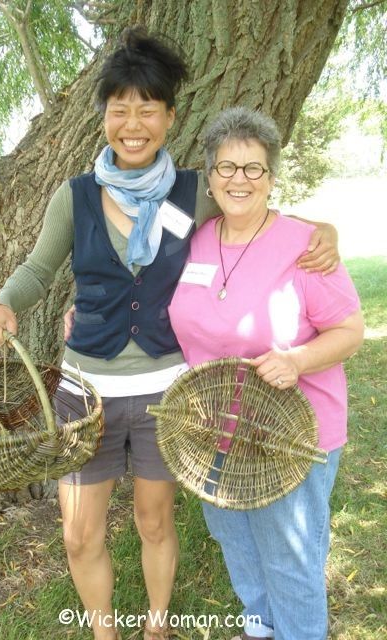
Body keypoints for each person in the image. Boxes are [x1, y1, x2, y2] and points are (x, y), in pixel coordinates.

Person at [0, 29, 339, 640]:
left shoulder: (194, 191)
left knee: (154, 520)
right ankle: (103, 631)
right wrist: (3, 303)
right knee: (77, 531)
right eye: (119, 107)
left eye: (148, 107)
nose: (133, 122)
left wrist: (322, 227)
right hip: (84, 390)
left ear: (170, 116)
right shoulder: (75, 197)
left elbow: (258, 214)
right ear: (103, 117)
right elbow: (38, 270)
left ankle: (155, 627)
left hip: (166, 392)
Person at [168, 106, 364, 640]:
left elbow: (350, 330)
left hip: (291, 436)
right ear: (210, 178)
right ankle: (261, 628)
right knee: (234, 536)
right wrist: (87, 312)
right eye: (227, 167)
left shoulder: (307, 247)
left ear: (271, 178)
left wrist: (297, 360)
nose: (240, 179)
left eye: (253, 168)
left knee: (288, 556)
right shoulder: (194, 240)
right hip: (214, 430)